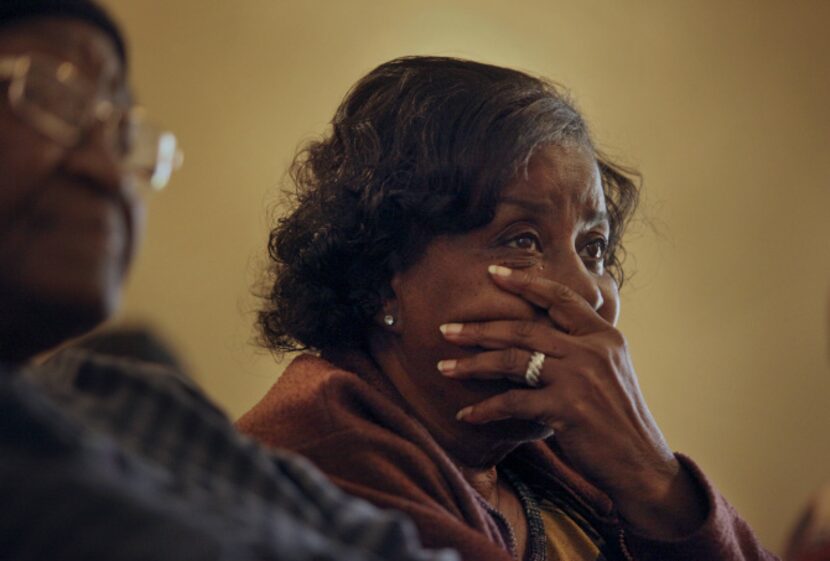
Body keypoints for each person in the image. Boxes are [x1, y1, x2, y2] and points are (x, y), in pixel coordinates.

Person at [238, 56, 780, 561]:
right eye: (521, 241)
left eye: (593, 248)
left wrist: (653, 478)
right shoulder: (315, 459)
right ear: (380, 278)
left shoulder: (561, 453)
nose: (588, 291)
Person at [0, 3, 456, 560]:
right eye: (47, 98)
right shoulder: (332, 424)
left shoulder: (136, 400)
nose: (107, 170)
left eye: (122, 133)